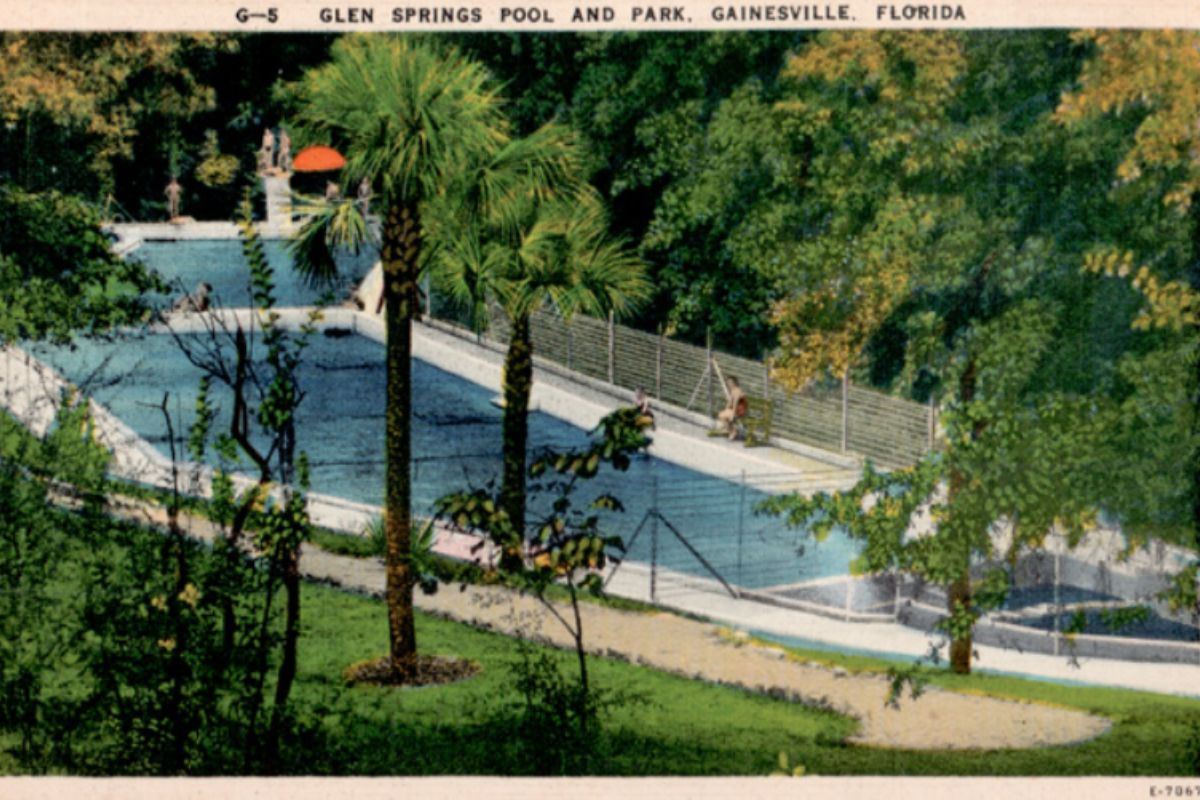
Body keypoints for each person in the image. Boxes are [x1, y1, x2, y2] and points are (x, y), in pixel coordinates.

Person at [715, 375, 747, 441]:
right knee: (722, 414)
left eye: (731, 382)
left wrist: (733, 414)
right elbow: (730, 403)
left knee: (722, 416)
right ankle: (729, 429)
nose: (729, 384)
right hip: (736, 410)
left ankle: (732, 431)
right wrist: (726, 409)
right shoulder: (733, 390)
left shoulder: (737, 390)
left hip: (739, 411)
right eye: (728, 383)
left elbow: (735, 403)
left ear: (735, 383)